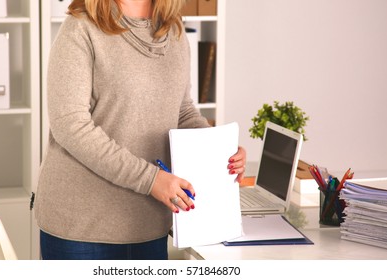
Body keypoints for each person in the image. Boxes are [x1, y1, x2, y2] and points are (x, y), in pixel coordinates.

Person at [34, 0, 247, 260]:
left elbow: (182, 111)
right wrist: (150, 180)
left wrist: (221, 150)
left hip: (147, 223)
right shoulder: (81, 27)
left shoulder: (174, 30)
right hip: (82, 228)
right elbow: (70, 125)